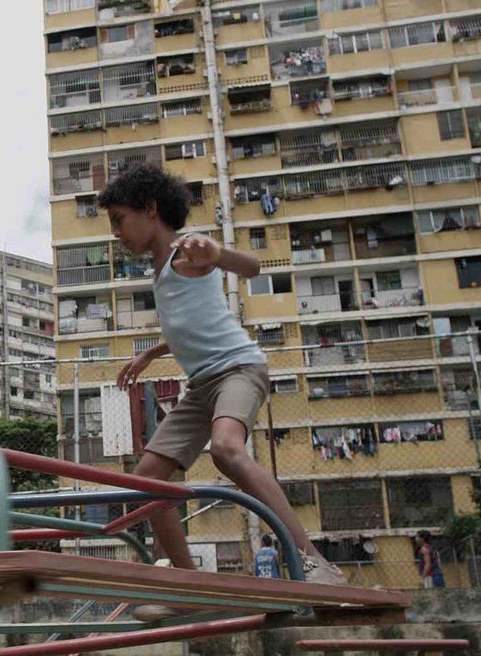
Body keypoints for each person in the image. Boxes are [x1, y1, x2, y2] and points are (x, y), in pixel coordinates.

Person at [98, 164, 349, 623]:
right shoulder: (161, 269)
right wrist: (151, 353)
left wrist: (216, 252)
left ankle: (314, 563)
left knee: (227, 449)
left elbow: (250, 267)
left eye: (119, 219)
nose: (116, 233)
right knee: (147, 480)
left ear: (150, 210)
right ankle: (190, 585)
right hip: (203, 385)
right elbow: (192, 325)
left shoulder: (185, 252)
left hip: (239, 369)